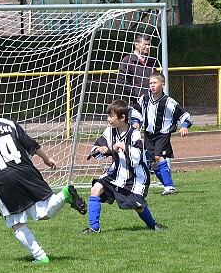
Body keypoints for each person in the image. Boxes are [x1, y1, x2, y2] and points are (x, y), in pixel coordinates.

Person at [0, 92, 86, 264]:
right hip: (27, 172)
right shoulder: (9, 124)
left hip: (3, 181)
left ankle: (41, 257)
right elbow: (32, 144)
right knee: (44, 213)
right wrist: (46, 158)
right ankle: (64, 195)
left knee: (16, 223)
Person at [82, 99, 163, 234]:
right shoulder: (109, 131)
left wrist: (122, 146)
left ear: (122, 117)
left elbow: (137, 157)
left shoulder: (134, 133)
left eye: (111, 116)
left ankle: (152, 224)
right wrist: (100, 149)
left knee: (138, 206)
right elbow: (97, 148)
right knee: (96, 189)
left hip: (134, 176)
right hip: (115, 172)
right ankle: (94, 228)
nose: (108, 119)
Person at [131, 71, 191, 195]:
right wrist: (135, 121)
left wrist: (184, 126)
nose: (152, 85)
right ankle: (168, 186)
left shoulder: (169, 102)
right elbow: (136, 111)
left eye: (155, 83)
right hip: (148, 134)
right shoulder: (145, 99)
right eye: (150, 83)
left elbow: (184, 115)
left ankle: (169, 187)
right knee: (153, 162)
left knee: (158, 156)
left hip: (162, 134)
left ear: (162, 84)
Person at [117, 33, 159, 101]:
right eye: (145, 44)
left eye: (149, 45)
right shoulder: (128, 60)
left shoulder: (151, 61)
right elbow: (122, 81)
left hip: (152, 100)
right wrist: (136, 94)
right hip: (136, 102)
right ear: (136, 45)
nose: (147, 47)